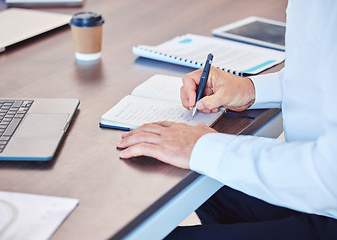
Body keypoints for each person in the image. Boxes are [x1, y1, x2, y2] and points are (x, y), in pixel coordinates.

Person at [117, 0, 337, 239]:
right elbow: (320, 67)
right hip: (315, 191)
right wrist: (251, 89)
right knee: (180, 170)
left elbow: (329, 175)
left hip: (325, 193)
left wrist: (202, 146)